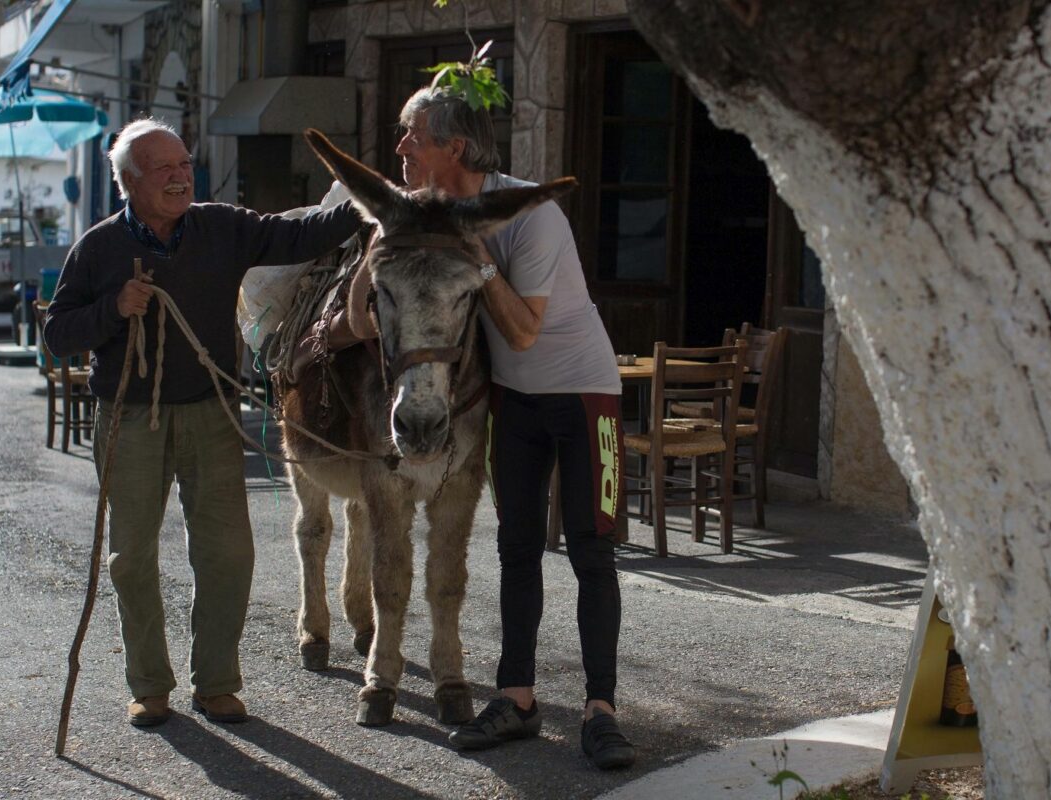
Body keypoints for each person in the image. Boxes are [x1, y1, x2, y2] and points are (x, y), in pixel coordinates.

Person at [44, 118, 361, 728]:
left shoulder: (223, 227)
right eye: (164, 168)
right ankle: (150, 685)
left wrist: (365, 204)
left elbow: (301, 238)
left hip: (211, 411)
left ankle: (216, 683)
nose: (180, 175)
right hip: (129, 419)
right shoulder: (99, 247)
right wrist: (114, 309)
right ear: (129, 182)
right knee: (131, 558)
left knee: (227, 554)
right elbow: (58, 334)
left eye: (184, 164)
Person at [389, 87, 635, 769]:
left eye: (412, 135)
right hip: (515, 404)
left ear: (455, 149)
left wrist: (475, 253)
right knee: (517, 549)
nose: (401, 148)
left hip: (585, 396)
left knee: (593, 551)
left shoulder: (533, 214)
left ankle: (601, 711)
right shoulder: (430, 210)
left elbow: (522, 332)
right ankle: (519, 699)